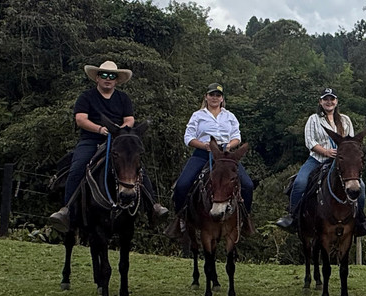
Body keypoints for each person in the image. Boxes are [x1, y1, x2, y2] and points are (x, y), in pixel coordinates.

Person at [49, 60, 168, 229]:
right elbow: (80, 119)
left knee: (138, 168)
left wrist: (120, 131)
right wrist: (100, 129)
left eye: (112, 76)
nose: (108, 78)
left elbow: (129, 119)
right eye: (104, 75)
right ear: (97, 78)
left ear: (116, 80)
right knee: (77, 167)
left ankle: (153, 206)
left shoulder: (123, 98)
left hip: (118, 140)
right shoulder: (86, 97)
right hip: (91, 139)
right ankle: (66, 210)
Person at [275, 88, 366, 236]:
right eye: (326, 99)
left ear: (336, 101)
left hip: (340, 162)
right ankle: (292, 217)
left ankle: (361, 220)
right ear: (320, 102)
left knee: (360, 186)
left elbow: (351, 143)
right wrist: (326, 151)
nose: (329, 102)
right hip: (317, 159)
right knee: (300, 182)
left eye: (332, 99)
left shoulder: (345, 120)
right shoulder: (313, 119)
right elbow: (310, 141)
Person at [167, 83, 254, 236]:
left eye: (218, 95)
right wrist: (204, 145)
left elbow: (237, 137)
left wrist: (228, 146)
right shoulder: (198, 115)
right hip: (202, 153)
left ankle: (244, 219)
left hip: (225, 156)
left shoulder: (229, 116)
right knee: (182, 185)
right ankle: (180, 219)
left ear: (222, 99)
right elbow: (188, 138)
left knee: (248, 185)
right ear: (206, 97)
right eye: (211, 95)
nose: (214, 98)